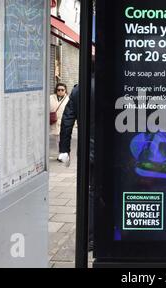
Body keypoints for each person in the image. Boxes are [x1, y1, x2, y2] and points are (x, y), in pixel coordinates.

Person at [58, 82, 96, 252]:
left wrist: (64, 150)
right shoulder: (116, 80)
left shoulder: (79, 90)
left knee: (90, 191)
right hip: (111, 150)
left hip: (88, 149)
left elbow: (67, 121)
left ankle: (90, 238)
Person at [49, 83, 69, 157]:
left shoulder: (68, 100)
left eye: (62, 90)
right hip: (52, 121)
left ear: (65, 90)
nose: (60, 91)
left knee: (61, 140)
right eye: (58, 90)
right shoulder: (50, 98)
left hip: (63, 123)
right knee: (55, 140)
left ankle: (61, 155)